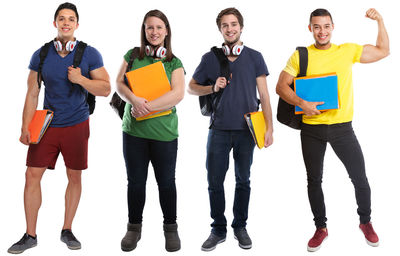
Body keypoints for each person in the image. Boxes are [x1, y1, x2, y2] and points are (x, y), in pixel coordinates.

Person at [276, 8, 389, 252]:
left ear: (333, 27)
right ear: (310, 29)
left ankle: (366, 222)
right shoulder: (300, 55)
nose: (322, 31)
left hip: (342, 129)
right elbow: (280, 86)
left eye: (326, 26)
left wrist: (380, 21)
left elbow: (383, 51)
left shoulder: (346, 51)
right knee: (314, 180)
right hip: (311, 130)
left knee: (360, 177)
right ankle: (320, 228)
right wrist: (301, 103)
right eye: (317, 26)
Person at [7, 2, 111, 254]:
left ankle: (67, 229)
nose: (66, 22)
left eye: (71, 19)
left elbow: (106, 89)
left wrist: (81, 79)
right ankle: (30, 235)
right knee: (31, 175)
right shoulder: (41, 54)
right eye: (61, 18)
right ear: (55, 23)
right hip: (47, 124)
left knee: (74, 176)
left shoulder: (90, 54)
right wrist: (25, 127)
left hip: (77, 123)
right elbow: (32, 93)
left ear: (77, 25)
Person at [188, 7, 273, 251]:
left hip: (248, 130)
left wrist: (269, 129)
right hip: (219, 130)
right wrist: (212, 87)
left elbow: (265, 96)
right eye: (225, 25)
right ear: (220, 30)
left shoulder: (255, 57)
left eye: (234, 24)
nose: (230, 28)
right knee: (214, 181)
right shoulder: (209, 58)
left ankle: (240, 226)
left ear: (241, 27)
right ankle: (218, 229)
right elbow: (192, 87)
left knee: (243, 180)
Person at [115, 9, 185, 253]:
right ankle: (134, 228)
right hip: (133, 132)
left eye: (158, 27)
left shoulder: (174, 62)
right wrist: (134, 100)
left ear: (166, 31)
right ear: (144, 32)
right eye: (149, 28)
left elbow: (177, 94)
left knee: (166, 182)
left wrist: (146, 107)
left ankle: (171, 228)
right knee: (135, 183)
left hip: (164, 134)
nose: (154, 32)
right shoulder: (133, 55)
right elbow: (119, 82)